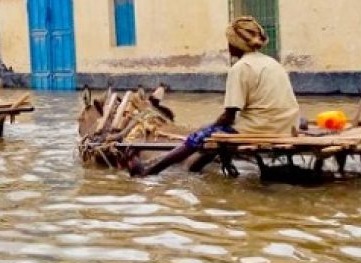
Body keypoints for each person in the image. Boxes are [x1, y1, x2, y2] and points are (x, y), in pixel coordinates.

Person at [128, 17, 300, 176]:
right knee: (212, 133)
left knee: (198, 137)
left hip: (260, 127)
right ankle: (194, 168)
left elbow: (229, 116)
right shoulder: (272, 62)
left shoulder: (240, 67)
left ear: (236, 43)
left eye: (229, 42)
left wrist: (206, 128)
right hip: (287, 125)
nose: (228, 47)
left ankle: (149, 171)